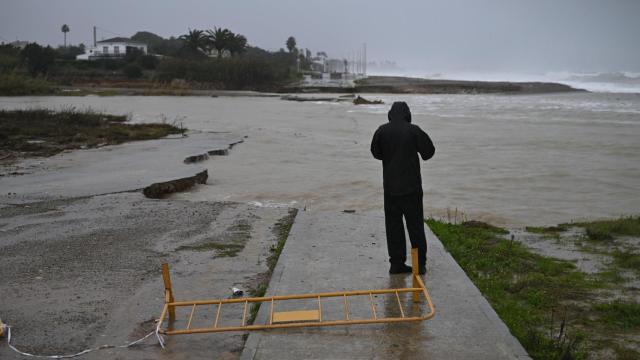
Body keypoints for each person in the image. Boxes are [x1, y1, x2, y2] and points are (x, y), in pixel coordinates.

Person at [370, 101, 435, 274]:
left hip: (390, 188)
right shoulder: (413, 130)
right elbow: (429, 153)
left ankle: (396, 263)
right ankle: (419, 265)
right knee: (415, 226)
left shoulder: (381, 130)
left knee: (393, 226)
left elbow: (375, 153)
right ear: (407, 114)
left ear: (390, 114)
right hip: (412, 188)